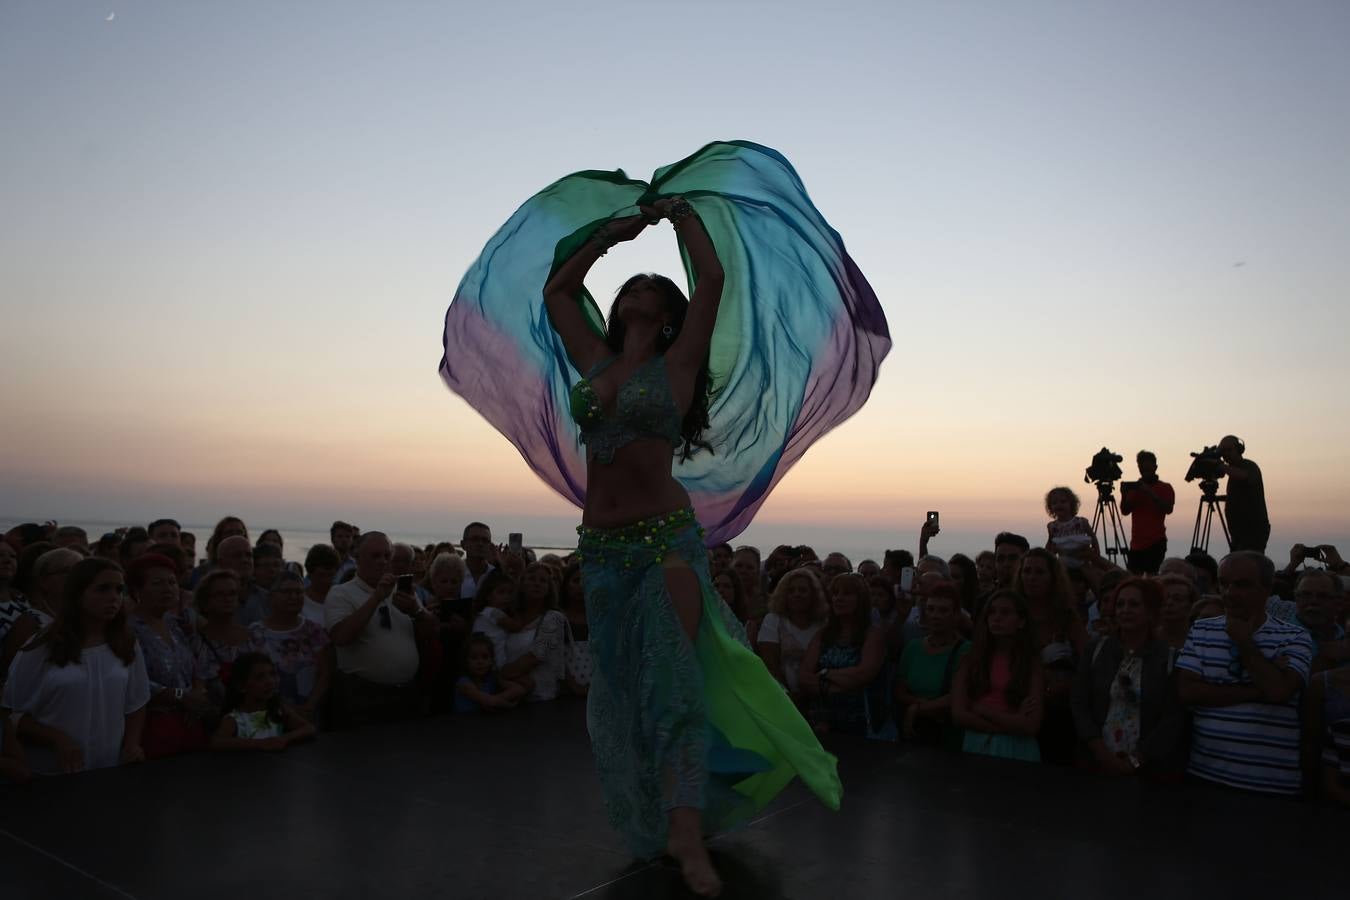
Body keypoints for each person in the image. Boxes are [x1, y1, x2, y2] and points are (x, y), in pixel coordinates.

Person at [543, 193, 840, 894]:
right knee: (622, 692)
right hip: (601, 548)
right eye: (629, 286)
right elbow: (559, 289)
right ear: (618, 307)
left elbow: (712, 280)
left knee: (673, 680)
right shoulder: (593, 358)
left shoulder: (678, 366)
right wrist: (612, 235)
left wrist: (680, 217)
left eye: (652, 287)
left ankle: (685, 836)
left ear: (668, 314)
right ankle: (673, 811)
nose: (638, 289)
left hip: (665, 544)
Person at [1177, 552, 1314, 795]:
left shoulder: (1295, 637)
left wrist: (1244, 643)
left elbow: (1278, 691)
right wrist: (1258, 689)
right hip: (1204, 777)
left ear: (1267, 588)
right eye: (1224, 583)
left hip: (1271, 786)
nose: (1229, 592)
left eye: (1241, 584)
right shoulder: (1201, 629)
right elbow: (1187, 692)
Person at [0, 558, 149, 774]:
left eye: (119, 590)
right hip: (52, 770)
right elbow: (10, 713)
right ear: (78, 594)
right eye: (102, 589)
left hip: (108, 765)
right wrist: (57, 738)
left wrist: (132, 745)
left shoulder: (126, 643)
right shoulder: (42, 646)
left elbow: (135, 703)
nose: (114, 597)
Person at [1071, 578, 1186, 778]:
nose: (1125, 610)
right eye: (1120, 604)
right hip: (1095, 761)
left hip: (1149, 769)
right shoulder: (1096, 650)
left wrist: (1137, 760)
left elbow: (1172, 716)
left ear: (1151, 611)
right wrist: (1100, 752)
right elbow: (1080, 702)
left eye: (1134, 604)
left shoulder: (1169, 658)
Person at [325, 532, 438, 727]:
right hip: (363, 697)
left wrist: (417, 611)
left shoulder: (403, 591)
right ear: (357, 557)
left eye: (387, 556)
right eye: (375, 556)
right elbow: (341, 637)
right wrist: (376, 598)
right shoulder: (341, 593)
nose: (382, 561)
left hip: (407, 694)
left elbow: (431, 632)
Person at [127, 553, 210, 757]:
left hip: (189, 724)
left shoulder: (176, 624)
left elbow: (196, 664)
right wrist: (181, 697)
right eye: (157, 583)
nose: (168, 588)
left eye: (172, 582)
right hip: (151, 727)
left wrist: (197, 694)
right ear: (137, 590)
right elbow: (132, 680)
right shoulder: (127, 629)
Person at [951, 590, 1044, 762]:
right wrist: (1013, 722)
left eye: (1005, 612)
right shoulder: (971, 659)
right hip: (977, 744)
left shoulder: (1031, 663)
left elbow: (1031, 726)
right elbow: (958, 714)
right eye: (992, 612)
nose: (996, 617)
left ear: (1021, 621)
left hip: (1017, 749)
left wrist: (981, 710)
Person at [799, 574, 886, 735]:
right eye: (836, 593)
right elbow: (804, 678)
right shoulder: (823, 634)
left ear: (861, 600)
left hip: (858, 722)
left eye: (847, 594)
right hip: (820, 720)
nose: (839, 598)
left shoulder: (873, 634)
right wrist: (842, 683)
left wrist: (824, 675)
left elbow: (863, 674)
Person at [248, 571, 332, 723]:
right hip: (268, 715)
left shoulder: (313, 630)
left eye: (298, 592)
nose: (294, 597)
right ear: (271, 596)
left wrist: (310, 706)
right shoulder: (255, 633)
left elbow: (325, 672)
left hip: (309, 714)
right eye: (286, 592)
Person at [895, 583, 970, 747]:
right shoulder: (913, 647)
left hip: (949, 735)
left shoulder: (966, 650)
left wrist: (917, 708)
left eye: (943, 610)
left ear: (956, 614)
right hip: (916, 732)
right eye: (931, 609)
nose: (935, 615)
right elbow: (900, 690)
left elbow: (960, 695)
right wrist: (919, 704)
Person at [210, 653, 316, 751]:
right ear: (241, 686)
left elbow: (309, 728)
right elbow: (216, 742)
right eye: (260, 677)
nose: (270, 681)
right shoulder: (236, 719)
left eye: (272, 674)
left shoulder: (277, 710)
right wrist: (260, 743)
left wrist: (284, 739)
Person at [498, 563, 571, 703]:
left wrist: (500, 675)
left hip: (540, 698)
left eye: (543, 581)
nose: (537, 583)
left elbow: (536, 656)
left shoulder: (554, 618)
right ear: (522, 583)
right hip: (508, 695)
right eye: (531, 578)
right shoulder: (510, 617)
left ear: (549, 589)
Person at [757, 568, 830, 702]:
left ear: (813, 594)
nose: (797, 594)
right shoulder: (773, 620)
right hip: (781, 695)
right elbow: (770, 663)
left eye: (802, 590)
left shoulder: (824, 623)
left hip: (819, 697)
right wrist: (788, 696)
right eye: (791, 591)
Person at [190, 570, 254, 707]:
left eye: (232, 593)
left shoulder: (254, 637)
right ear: (205, 601)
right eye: (220, 594)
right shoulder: (195, 642)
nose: (228, 598)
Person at [1267, 566, 1348, 673]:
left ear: (1339, 603)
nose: (1313, 601)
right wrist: (1327, 659)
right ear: (1296, 598)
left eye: (1323, 596)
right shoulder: (1271, 641)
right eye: (1305, 595)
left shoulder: (1345, 637)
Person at [1119, 451, 1175, 575]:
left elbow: (1168, 509)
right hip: (1136, 544)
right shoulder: (1135, 489)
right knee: (1133, 579)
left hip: (1156, 542)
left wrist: (1149, 492)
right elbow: (1125, 510)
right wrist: (1123, 494)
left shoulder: (1165, 487)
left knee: (1152, 579)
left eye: (1148, 467)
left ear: (1155, 467)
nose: (1145, 471)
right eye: (1142, 468)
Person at [1218, 435, 1270, 553]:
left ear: (1239, 449)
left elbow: (1245, 476)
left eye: (1229, 450)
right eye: (1223, 450)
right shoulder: (1232, 471)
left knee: (1249, 567)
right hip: (1238, 535)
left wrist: (1220, 466)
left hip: (1253, 533)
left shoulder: (1249, 466)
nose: (1225, 454)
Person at [456, 634, 526, 713]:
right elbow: (489, 701)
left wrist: (495, 699)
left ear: (491, 660)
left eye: (485, 657)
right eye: (474, 657)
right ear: (466, 661)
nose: (480, 662)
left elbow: (519, 689)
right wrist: (506, 704)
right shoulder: (464, 683)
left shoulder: (492, 677)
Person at [1044, 487, 1097, 569]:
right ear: (1050, 507)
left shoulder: (1081, 522)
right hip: (1064, 563)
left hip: (1082, 561)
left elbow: (1092, 537)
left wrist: (1096, 553)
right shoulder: (1052, 526)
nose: (1059, 505)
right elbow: (1050, 543)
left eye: (1063, 501)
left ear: (1071, 504)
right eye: (1054, 503)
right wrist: (1047, 556)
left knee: (1090, 576)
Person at [559, 562, 591, 695]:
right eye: (576, 581)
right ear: (566, 585)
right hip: (562, 689)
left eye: (586, 581)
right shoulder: (557, 617)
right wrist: (573, 685)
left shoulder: (600, 618)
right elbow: (554, 656)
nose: (581, 586)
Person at [1156, 573, 1200, 651]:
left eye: (1178, 599)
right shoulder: (1144, 639)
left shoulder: (1200, 641)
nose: (1169, 602)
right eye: (1164, 597)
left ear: (1191, 604)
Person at [301, 543, 341, 627]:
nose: (326, 580)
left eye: (330, 575)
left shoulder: (342, 597)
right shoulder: (299, 600)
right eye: (322, 575)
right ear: (310, 572)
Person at [459, 522, 495, 599]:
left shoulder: (496, 575)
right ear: (463, 544)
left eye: (485, 540)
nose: (480, 544)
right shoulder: (453, 573)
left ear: (490, 546)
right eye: (474, 539)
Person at [330, 521, 357, 585]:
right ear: (332, 539)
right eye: (340, 536)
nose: (344, 540)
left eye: (348, 536)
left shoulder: (355, 565)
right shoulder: (323, 563)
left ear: (352, 540)